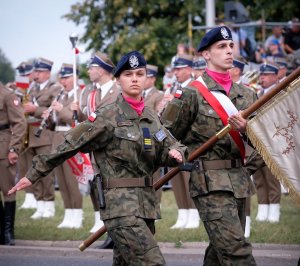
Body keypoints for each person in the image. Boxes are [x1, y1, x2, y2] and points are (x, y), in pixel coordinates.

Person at [8, 51, 187, 265]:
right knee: (152, 261)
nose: (135, 79)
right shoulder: (107, 115)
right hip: (120, 206)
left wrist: (176, 154)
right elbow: (70, 144)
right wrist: (34, 174)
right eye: (129, 74)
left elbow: (168, 145)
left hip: (146, 204)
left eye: (140, 74)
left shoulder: (149, 117)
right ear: (118, 80)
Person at [161, 26, 264, 265]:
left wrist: (245, 130)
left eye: (231, 46)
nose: (229, 51)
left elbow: (261, 141)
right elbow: (165, 134)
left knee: (219, 253)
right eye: (221, 47)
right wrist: (180, 155)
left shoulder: (246, 95)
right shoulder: (191, 94)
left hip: (239, 182)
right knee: (237, 252)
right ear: (206, 54)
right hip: (209, 183)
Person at [78, 51, 120, 249]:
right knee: (102, 191)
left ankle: (119, 234)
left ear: (102, 70)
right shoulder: (90, 93)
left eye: (92, 67)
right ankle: (110, 233)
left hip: (116, 149)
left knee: (116, 192)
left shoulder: (119, 91)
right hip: (96, 150)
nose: (88, 71)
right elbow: (86, 120)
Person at [23, 57, 63, 219]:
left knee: (45, 171)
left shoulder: (55, 88)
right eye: (36, 71)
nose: (36, 74)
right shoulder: (32, 88)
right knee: (33, 170)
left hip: (45, 132)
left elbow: (53, 110)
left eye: (39, 72)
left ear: (47, 73)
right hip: (29, 132)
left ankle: (49, 205)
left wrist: (36, 109)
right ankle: (39, 204)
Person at [46, 63, 84, 228]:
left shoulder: (79, 95)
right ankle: (68, 214)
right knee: (61, 179)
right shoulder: (60, 95)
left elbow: (76, 120)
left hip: (71, 137)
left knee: (71, 180)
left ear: (75, 77)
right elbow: (53, 123)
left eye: (67, 77)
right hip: (57, 137)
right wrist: (49, 115)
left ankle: (78, 214)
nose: (63, 80)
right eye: (62, 77)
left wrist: (61, 110)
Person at [165, 54, 201, 229]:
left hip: (188, 139)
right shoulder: (175, 88)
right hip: (174, 138)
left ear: (188, 69)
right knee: (176, 179)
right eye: (175, 69)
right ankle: (183, 213)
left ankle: (194, 215)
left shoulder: (195, 88)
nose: (176, 73)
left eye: (179, 69)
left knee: (188, 178)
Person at [253, 63, 282, 223]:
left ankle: (274, 209)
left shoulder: (280, 94)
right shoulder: (257, 94)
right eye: (261, 75)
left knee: (271, 177)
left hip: (273, 140)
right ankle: (263, 207)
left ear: (275, 77)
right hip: (258, 140)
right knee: (259, 177)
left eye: (266, 75)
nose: (262, 78)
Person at [0, 82, 27, 245]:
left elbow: (20, 122)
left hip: (3, 147)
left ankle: (9, 232)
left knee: (8, 190)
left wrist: (14, 148)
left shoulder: (7, 95)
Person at [15, 62, 38, 210]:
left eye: (26, 75)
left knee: (33, 165)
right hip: (22, 130)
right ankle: (29, 197)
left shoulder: (35, 88)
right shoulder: (19, 89)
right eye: (22, 75)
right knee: (23, 165)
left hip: (35, 131)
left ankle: (36, 197)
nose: (25, 78)